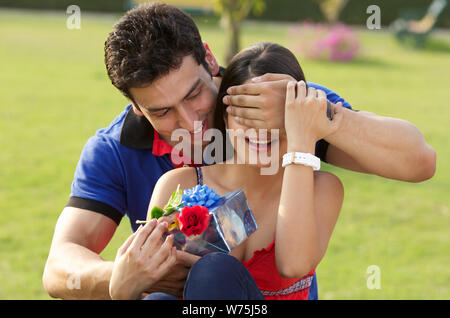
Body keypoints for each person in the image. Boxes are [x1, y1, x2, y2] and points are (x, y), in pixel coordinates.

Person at [42, 2, 436, 300]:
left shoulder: (269, 101)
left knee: (213, 275)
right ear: (136, 108)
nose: (190, 120)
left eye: (194, 93)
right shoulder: (116, 150)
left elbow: (419, 161)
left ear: (210, 59)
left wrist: (315, 115)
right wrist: (119, 277)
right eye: (162, 111)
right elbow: (60, 267)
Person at [136, 42, 344, 300]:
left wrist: (303, 137)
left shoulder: (322, 188)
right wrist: (121, 287)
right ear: (225, 117)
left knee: (214, 269)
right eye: (246, 115)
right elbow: (150, 285)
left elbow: (293, 265)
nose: (260, 130)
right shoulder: (178, 184)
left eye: (273, 117)